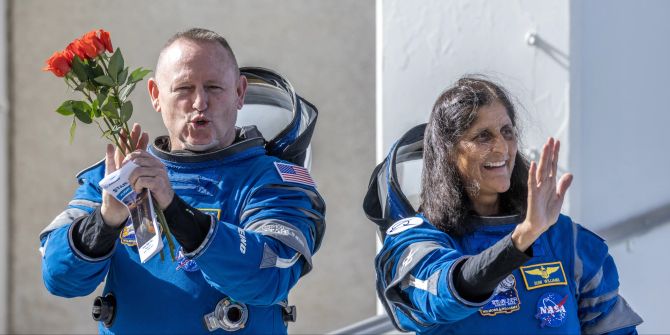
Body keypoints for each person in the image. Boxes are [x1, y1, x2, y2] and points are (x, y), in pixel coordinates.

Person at [39, 28, 325, 334]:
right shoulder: (117, 171)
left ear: (240, 92)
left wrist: (174, 209)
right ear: (155, 95)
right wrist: (105, 221)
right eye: (183, 88)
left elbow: (267, 277)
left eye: (214, 87)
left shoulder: (273, 181)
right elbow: (58, 277)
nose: (200, 102)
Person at [367, 77, 642, 334]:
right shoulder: (415, 242)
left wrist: (529, 233)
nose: (502, 148)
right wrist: (522, 239)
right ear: (448, 153)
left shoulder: (564, 239)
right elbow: (446, 295)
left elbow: (616, 329)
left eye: (507, 132)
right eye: (482, 136)